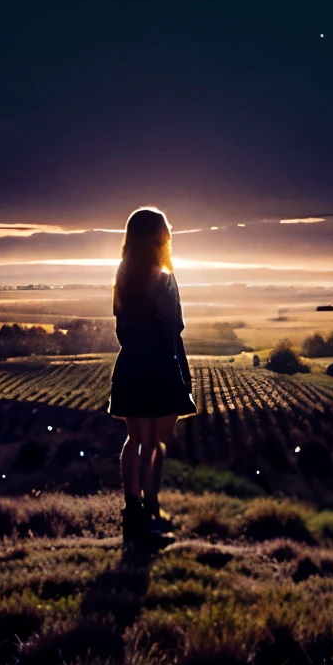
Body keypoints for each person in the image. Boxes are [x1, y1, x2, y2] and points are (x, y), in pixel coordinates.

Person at [108, 205, 194, 543]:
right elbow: (176, 326)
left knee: (136, 440)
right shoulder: (165, 276)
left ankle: (134, 510)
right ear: (161, 238)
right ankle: (150, 509)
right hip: (161, 365)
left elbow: (122, 327)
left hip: (130, 364)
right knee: (156, 441)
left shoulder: (122, 275)